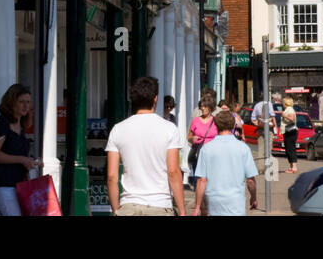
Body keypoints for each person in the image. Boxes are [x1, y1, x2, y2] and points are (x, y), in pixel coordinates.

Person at [105, 76, 187, 216]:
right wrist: (182, 211)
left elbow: (112, 176)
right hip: (160, 205)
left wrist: (115, 210)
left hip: (129, 206)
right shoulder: (169, 129)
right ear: (155, 99)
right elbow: (173, 172)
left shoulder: (118, 129)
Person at [0, 84, 39, 215]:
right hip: (2, 184)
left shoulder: (21, 126)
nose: (26, 106)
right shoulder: (3, 123)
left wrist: (29, 163)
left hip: (18, 185)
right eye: (21, 102)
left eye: (28, 102)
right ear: (11, 103)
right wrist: (22, 159)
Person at [192, 108, 258, 216]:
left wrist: (197, 206)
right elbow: (250, 180)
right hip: (236, 203)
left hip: (213, 202)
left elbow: (202, 181)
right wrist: (254, 198)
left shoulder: (207, 149)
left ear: (216, 126)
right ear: (233, 126)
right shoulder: (243, 148)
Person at [281, 96, 299, 174]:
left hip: (291, 131)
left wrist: (284, 115)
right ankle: (291, 167)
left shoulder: (290, 109)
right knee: (288, 149)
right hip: (288, 131)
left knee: (291, 149)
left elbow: (292, 119)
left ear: (286, 103)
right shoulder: (288, 109)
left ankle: (294, 167)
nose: (282, 104)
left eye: (283, 102)